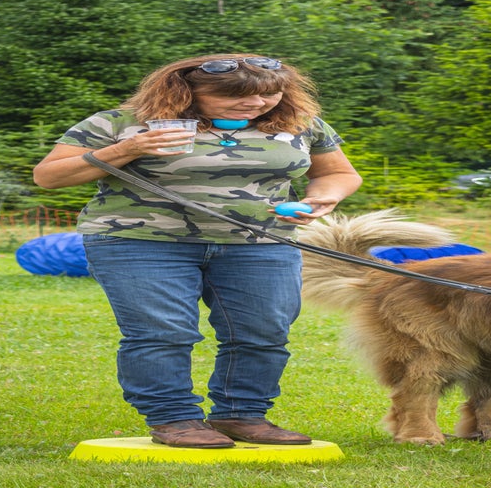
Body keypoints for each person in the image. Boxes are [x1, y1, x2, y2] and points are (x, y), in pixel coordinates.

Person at [33, 53, 362, 449]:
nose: (256, 104)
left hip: (260, 243)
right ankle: (174, 418)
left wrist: (323, 198)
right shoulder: (121, 123)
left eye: (269, 94)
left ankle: (241, 414)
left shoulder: (299, 122)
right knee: (162, 332)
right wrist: (128, 148)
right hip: (142, 242)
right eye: (236, 96)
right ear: (186, 90)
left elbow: (337, 173)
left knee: (264, 331)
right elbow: (48, 177)